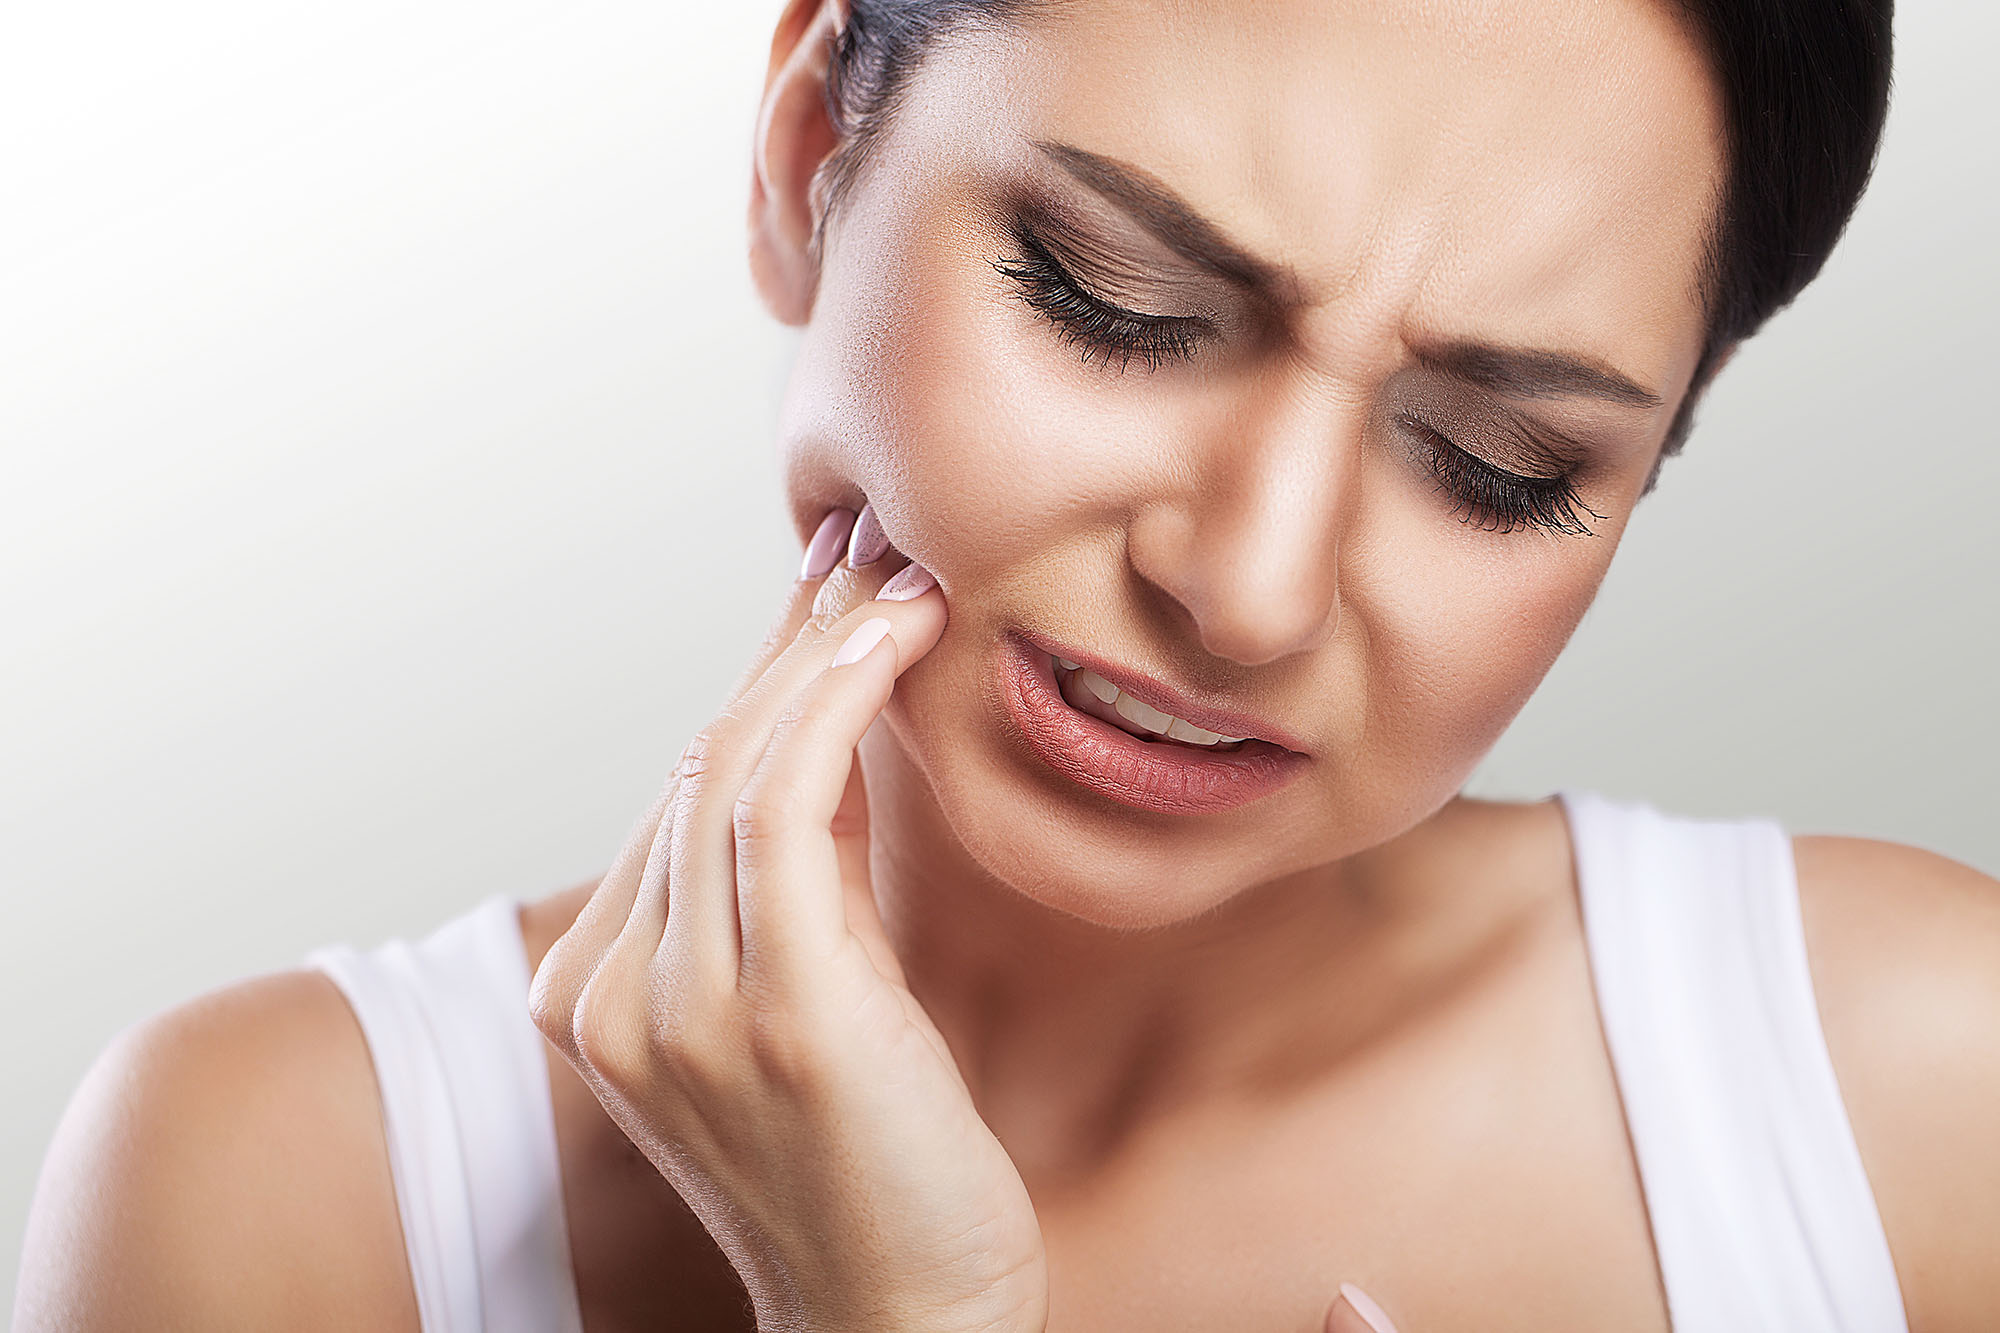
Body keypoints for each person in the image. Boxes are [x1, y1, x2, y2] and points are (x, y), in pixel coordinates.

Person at [16, 0, 1997, 1329]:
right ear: (810, 159)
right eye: (1114, 299)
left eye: (1503, 460)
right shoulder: (279, 1196)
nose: (1251, 588)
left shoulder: (1917, 1092)